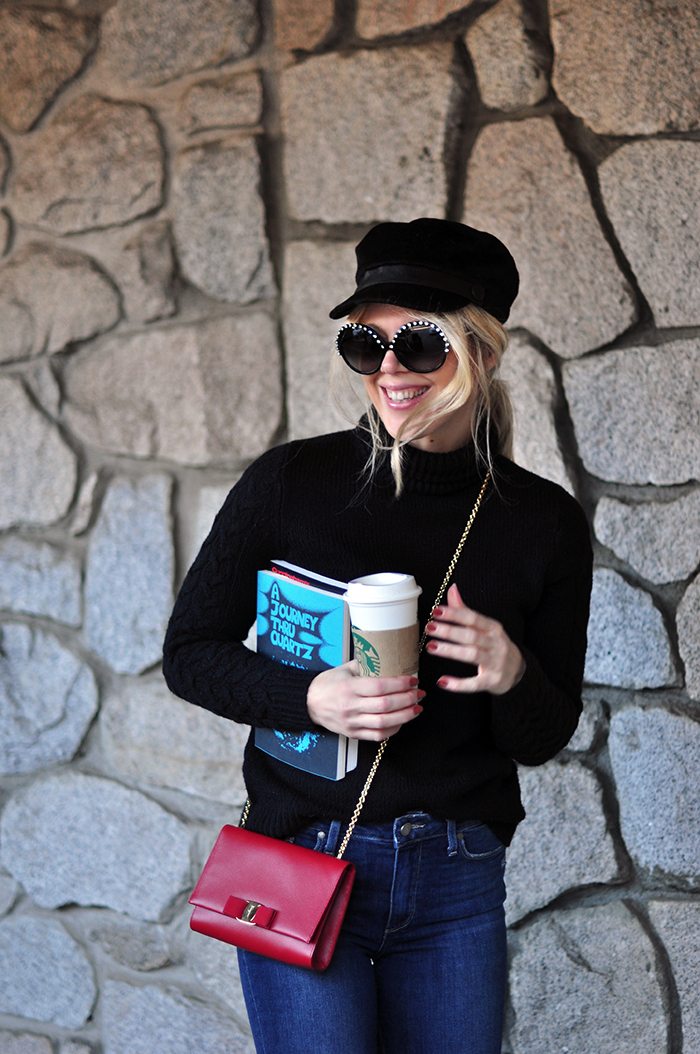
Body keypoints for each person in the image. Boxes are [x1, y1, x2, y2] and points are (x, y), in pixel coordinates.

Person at [163, 218, 593, 1054]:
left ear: (483, 352)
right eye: (367, 344)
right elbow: (190, 654)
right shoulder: (291, 483)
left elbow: (545, 736)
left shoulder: (543, 523)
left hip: (457, 880)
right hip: (305, 857)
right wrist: (311, 696)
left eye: (420, 345)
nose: (390, 369)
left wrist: (511, 672)